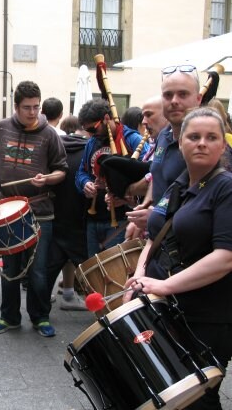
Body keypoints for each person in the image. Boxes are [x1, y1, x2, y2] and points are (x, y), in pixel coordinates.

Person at [123, 107, 232, 410]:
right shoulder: (179, 184)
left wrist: (162, 286)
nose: (201, 143)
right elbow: (154, 236)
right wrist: (140, 276)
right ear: (180, 142)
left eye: (211, 137)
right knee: (169, 394)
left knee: (198, 399)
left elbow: (226, 258)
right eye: (194, 136)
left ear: (222, 146)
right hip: (167, 309)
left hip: (206, 315)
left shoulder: (227, 188)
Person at [0, 80, 68, 337]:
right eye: (27, 107)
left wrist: (47, 179)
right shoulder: (1, 128)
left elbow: (62, 171)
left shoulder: (49, 134)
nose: (33, 112)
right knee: (10, 269)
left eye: (36, 107)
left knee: (38, 270)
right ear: (15, 106)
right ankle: (9, 317)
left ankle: (40, 317)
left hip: (40, 209)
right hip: (7, 207)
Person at [125, 67, 203, 237]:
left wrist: (156, 216)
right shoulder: (163, 136)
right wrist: (147, 207)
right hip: (160, 242)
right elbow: (158, 175)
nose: (174, 101)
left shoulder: (206, 147)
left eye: (183, 94)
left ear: (198, 99)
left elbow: (207, 202)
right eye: (168, 95)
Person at [75, 98, 149, 257]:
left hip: (122, 220)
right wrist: (85, 183)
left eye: (93, 129)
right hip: (94, 218)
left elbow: (150, 175)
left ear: (107, 118)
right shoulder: (92, 142)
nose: (90, 134)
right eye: (87, 130)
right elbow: (81, 172)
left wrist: (125, 194)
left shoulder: (132, 139)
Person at [50, 127, 89, 311]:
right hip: (80, 214)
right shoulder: (89, 150)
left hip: (52, 213)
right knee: (85, 262)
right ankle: (69, 294)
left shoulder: (55, 149)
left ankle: (43, 302)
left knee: (46, 264)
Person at [125, 96, 169, 240]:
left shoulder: (177, 146)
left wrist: (125, 189)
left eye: (149, 115)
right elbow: (155, 177)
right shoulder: (155, 146)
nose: (144, 122)